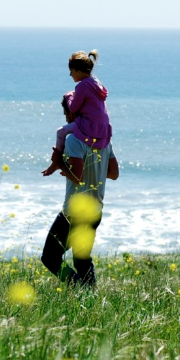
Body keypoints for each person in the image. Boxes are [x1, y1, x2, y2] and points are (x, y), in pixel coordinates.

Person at [40, 92, 119, 287]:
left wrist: (59, 163)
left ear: (74, 112)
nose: (67, 119)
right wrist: (95, 172)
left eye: (67, 114)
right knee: (82, 260)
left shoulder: (73, 141)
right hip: (95, 210)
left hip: (74, 212)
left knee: (50, 257)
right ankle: (90, 295)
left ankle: (79, 288)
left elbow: (77, 177)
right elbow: (113, 173)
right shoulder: (104, 140)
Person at [41, 50, 111, 177]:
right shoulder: (96, 83)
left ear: (79, 71)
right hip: (102, 126)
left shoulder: (82, 86)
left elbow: (73, 108)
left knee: (60, 132)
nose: (70, 74)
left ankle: (57, 162)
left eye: (72, 71)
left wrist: (69, 95)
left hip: (89, 124)